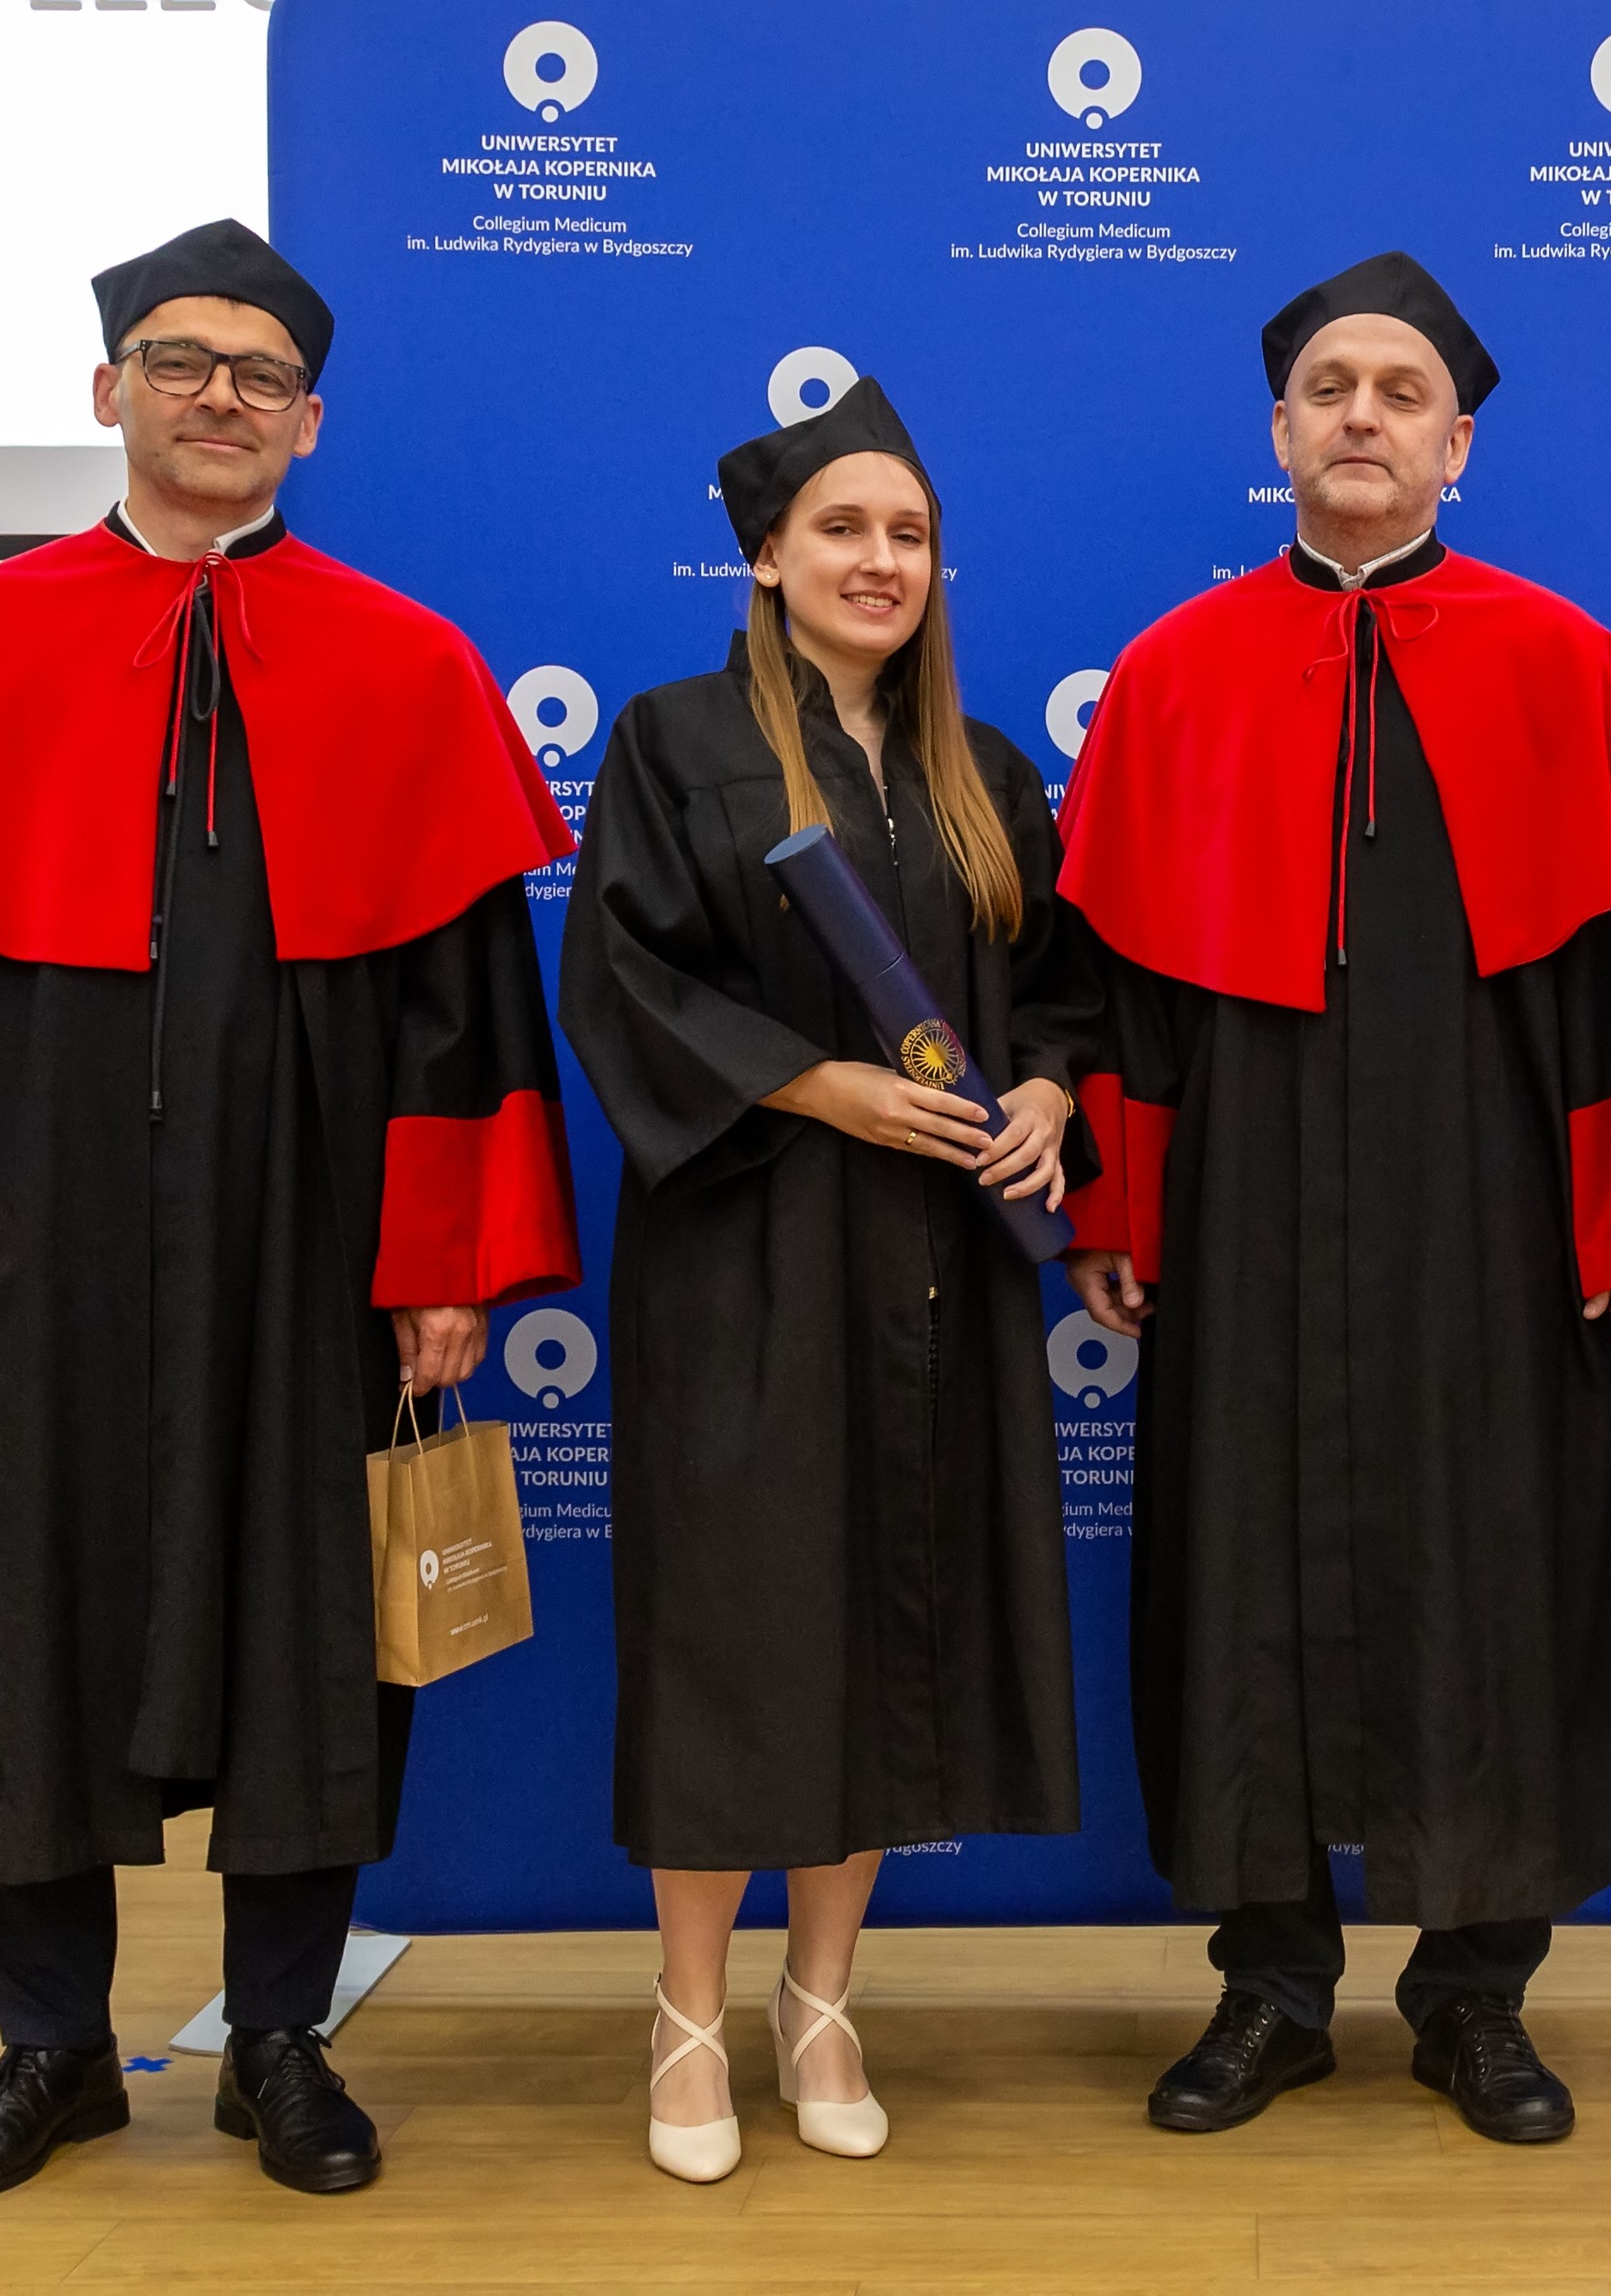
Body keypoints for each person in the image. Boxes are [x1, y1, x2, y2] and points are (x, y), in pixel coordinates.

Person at [0, 219, 583, 2208]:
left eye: (260, 373)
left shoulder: (406, 665)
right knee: (24, 1619)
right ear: (106, 389)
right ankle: (49, 2045)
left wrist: (445, 1268)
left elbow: (463, 1007)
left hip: (313, 1237)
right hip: (29, 1226)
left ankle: (281, 2037)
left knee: (318, 1627)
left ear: (311, 423)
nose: (220, 394)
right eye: (179, 360)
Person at [1057, 252, 1611, 2145]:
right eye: (1327, 388)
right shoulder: (1175, 672)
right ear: (1277, 432)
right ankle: (1270, 1988)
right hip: (1245, 1207)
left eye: (1400, 392)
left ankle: (1477, 1996)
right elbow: (1114, 984)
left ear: (1459, 445)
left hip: (1495, 1203)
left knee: (1499, 1569)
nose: (1360, 415)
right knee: (1238, 1571)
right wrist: (1114, 1204)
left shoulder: (1559, 660)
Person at [557, 379, 1097, 2183]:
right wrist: (817, 1084)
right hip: (750, 1253)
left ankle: (824, 1998)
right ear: (769, 556)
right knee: (738, 1630)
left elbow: (1066, 989)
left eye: (909, 534)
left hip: (938, 1264)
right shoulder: (674, 739)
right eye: (844, 529)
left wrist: (1047, 1092)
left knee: (886, 1620)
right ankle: (687, 2012)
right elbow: (622, 978)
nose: (881, 560)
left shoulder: (985, 772)